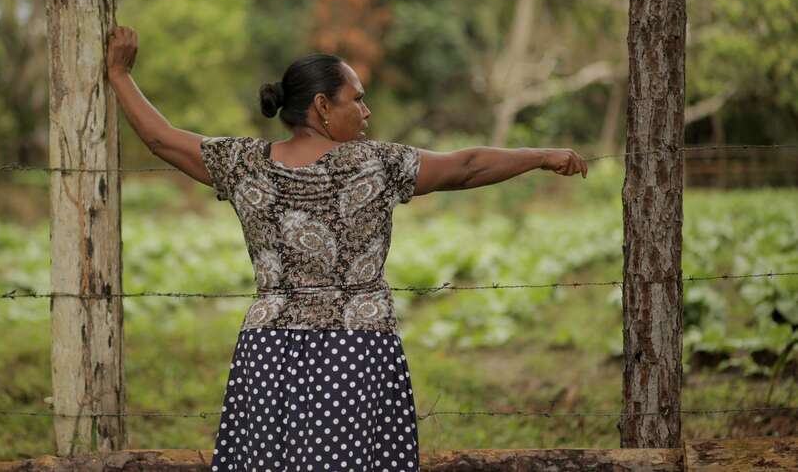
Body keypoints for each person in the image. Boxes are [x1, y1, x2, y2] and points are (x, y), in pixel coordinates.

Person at [106, 26, 588, 471]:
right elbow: (467, 166)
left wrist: (120, 75)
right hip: (356, 347)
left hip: (269, 350)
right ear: (321, 106)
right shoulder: (376, 164)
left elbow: (161, 140)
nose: (366, 111)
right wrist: (540, 156)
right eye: (357, 100)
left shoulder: (244, 163)